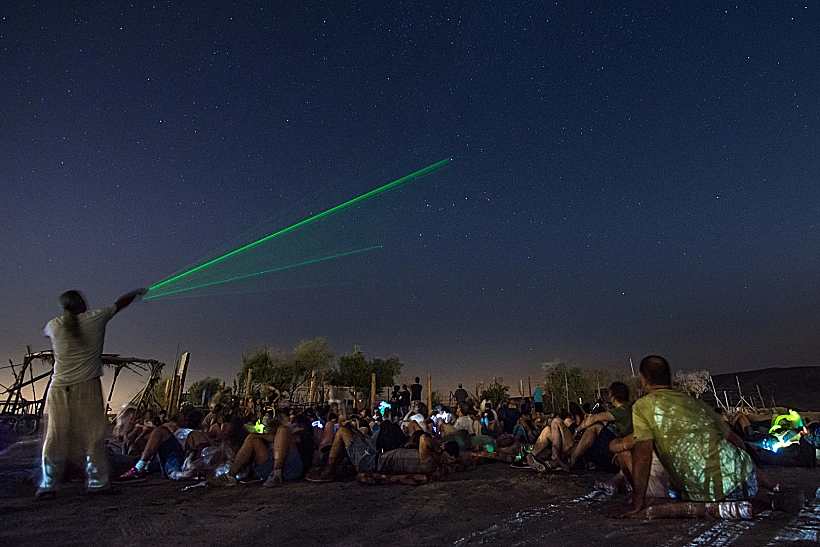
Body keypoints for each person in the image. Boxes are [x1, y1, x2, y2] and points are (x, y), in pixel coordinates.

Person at [37, 287, 146, 498]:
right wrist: (135, 293)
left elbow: (45, 331)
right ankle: (97, 482)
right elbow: (119, 303)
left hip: (59, 387)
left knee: (55, 437)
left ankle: (48, 484)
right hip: (87, 386)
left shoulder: (54, 325)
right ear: (79, 304)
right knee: (94, 436)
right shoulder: (95, 318)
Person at [617, 355, 757, 517]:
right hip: (747, 479)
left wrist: (637, 503)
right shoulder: (695, 402)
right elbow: (738, 443)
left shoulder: (644, 406)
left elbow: (643, 454)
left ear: (644, 379)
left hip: (708, 493)